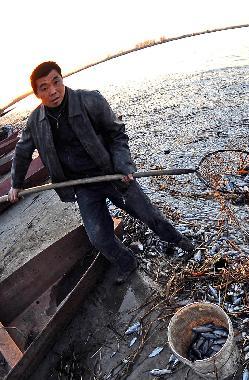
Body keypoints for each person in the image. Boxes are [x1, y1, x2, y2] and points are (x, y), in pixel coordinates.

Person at [9, 61, 195, 284]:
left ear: (62, 78)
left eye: (56, 82)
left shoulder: (90, 100)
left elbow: (116, 134)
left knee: (150, 216)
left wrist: (123, 166)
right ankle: (127, 262)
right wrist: (16, 184)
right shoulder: (35, 122)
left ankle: (181, 242)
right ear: (37, 94)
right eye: (44, 87)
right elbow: (21, 152)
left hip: (113, 176)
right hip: (83, 186)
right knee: (99, 237)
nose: (53, 91)